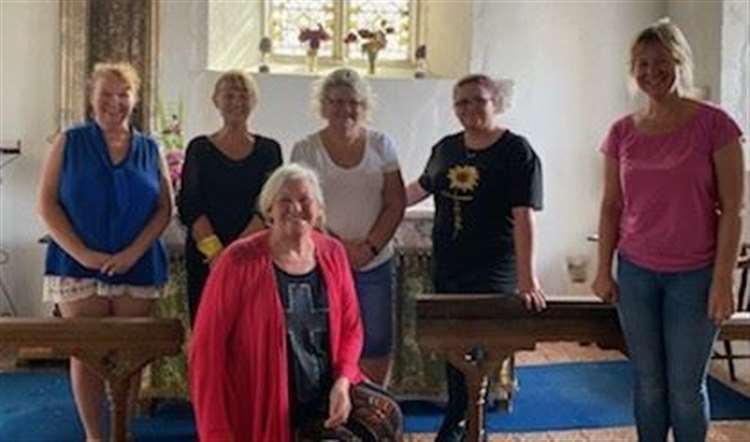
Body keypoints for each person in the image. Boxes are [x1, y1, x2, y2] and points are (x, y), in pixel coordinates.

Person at [592, 18, 745, 442]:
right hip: (638, 272)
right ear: (632, 69)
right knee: (648, 385)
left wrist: (722, 282)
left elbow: (733, 210)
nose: (651, 71)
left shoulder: (716, 125)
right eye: (642, 63)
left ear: (680, 62)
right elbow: (610, 206)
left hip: (695, 277)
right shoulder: (622, 132)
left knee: (685, 389)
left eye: (661, 61)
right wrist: (603, 269)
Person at [189, 163, 402, 441]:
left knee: (384, 417)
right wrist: (215, 430)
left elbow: (351, 328)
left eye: (305, 200)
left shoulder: (333, 253)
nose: (295, 208)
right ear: (269, 211)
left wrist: (343, 380)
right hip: (264, 395)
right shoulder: (238, 260)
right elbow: (207, 348)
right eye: (285, 200)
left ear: (319, 211)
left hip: (325, 388)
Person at [405, 74, 546, 442]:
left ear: (494, 102)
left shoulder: (517, 150)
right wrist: (377, 200)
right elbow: (420, 188)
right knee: (453, 345)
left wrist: (528, 279)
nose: (469, 109)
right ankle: (458, 416)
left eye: (477, 100)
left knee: (480, 347)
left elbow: (524, 216)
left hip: (494, 268)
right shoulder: (445, 148)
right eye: (461, 103)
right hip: (450, 265)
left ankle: (472, 421)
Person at [37, 62, 172, 441]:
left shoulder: (149, 148)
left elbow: (165, 207)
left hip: (138, 265)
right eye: (106, 95)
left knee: (129, 358)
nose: (115, 102)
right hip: (77, 266)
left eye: (123, 94)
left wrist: (134, 251)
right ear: (92, 98)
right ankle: (96, 435)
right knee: (88, 356)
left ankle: (122, 432)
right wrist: (82, 253)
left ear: (135, 98)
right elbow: (47, 204)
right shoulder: (70, 141)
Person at [291, 68, 406, 385]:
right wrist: (338, 249)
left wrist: (368, 248)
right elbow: (301, 206)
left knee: (376, 339)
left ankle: (371, 407)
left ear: (364, 106)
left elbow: (395, 201)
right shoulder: (306, 149)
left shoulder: (381, 144)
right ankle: (331, 409)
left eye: (353, 102)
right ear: (324, 105)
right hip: (324, 261)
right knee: (326, 337)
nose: (345, 109)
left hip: (375, 260)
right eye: (337, 101)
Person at [177, 71, 282, 324]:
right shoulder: (199, 148)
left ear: (254, 101)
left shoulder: (270, 150)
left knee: (250, 336)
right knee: (208, 332)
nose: (236, 102)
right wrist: (216, 255)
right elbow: (191, 204)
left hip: (253, 256)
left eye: (243, 95)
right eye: (229, 95)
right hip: (207, 259)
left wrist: (234, 256)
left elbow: (268, 206)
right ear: (216, 101)